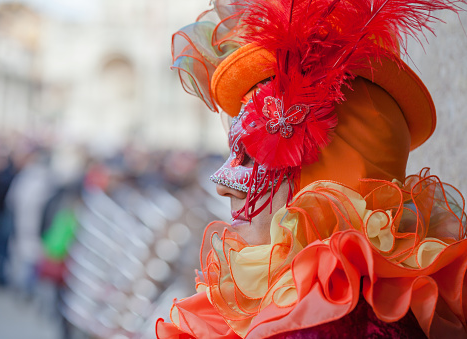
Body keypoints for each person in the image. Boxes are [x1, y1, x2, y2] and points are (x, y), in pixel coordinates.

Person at [157, 0, 467, 338]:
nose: (223, 186)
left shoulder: (328, 325)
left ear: (330, 175)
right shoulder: (296, 307)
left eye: (253, 155)